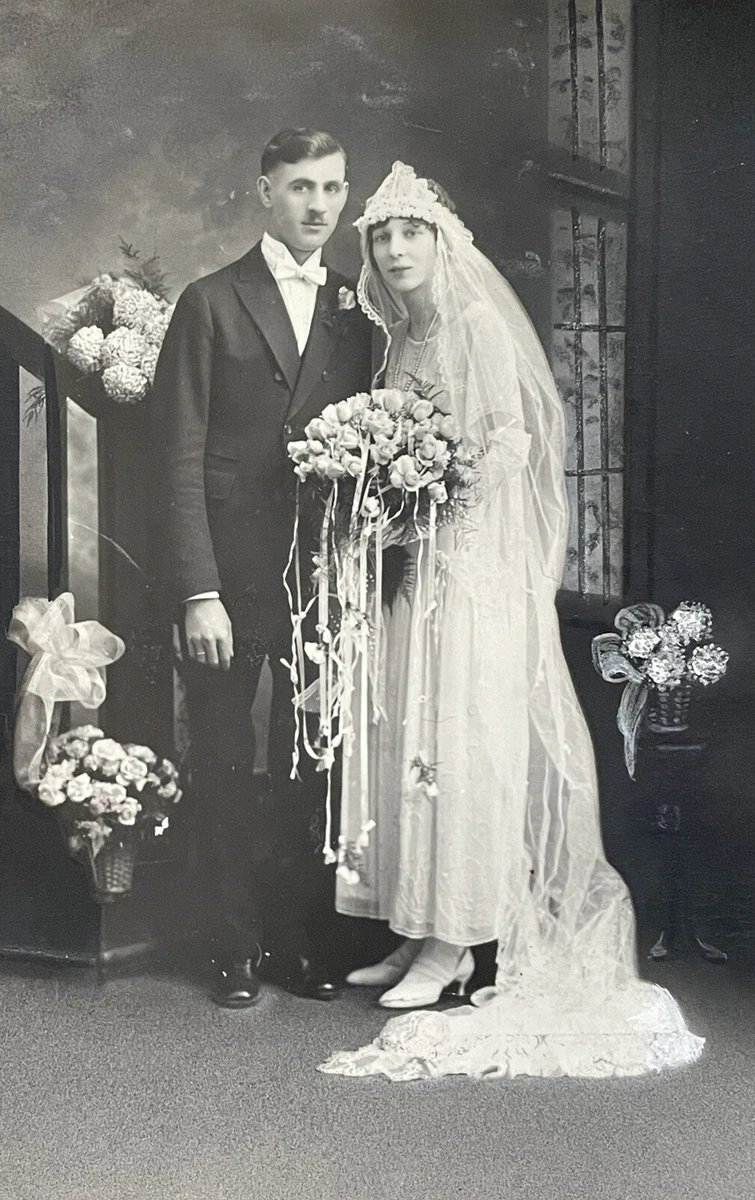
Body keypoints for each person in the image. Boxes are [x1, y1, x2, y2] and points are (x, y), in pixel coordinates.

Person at [318, 162, 704, 1078]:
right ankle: (420, 932)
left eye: (412, 232)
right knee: (416, 741)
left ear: (443, 243)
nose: (397, 248)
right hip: (423, 563)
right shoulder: (406, 336)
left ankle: (459, 940)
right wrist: (394, 492)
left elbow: (514, 443)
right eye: (382, 236)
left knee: (460, 740)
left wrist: (435, 488)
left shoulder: (479, 326)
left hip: (474, 567)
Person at [152, 130, 372, 1007]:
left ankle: (291, 940)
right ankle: (229, 946)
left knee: (308, 762)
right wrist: (196, 591)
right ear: (264, 192)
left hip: (320, 577)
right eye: (298, 188)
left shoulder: (356, 308)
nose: (316, 205)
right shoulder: (210, 302)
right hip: (228, 582)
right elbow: (176, 457)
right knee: (220, 756)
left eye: (331, 188)